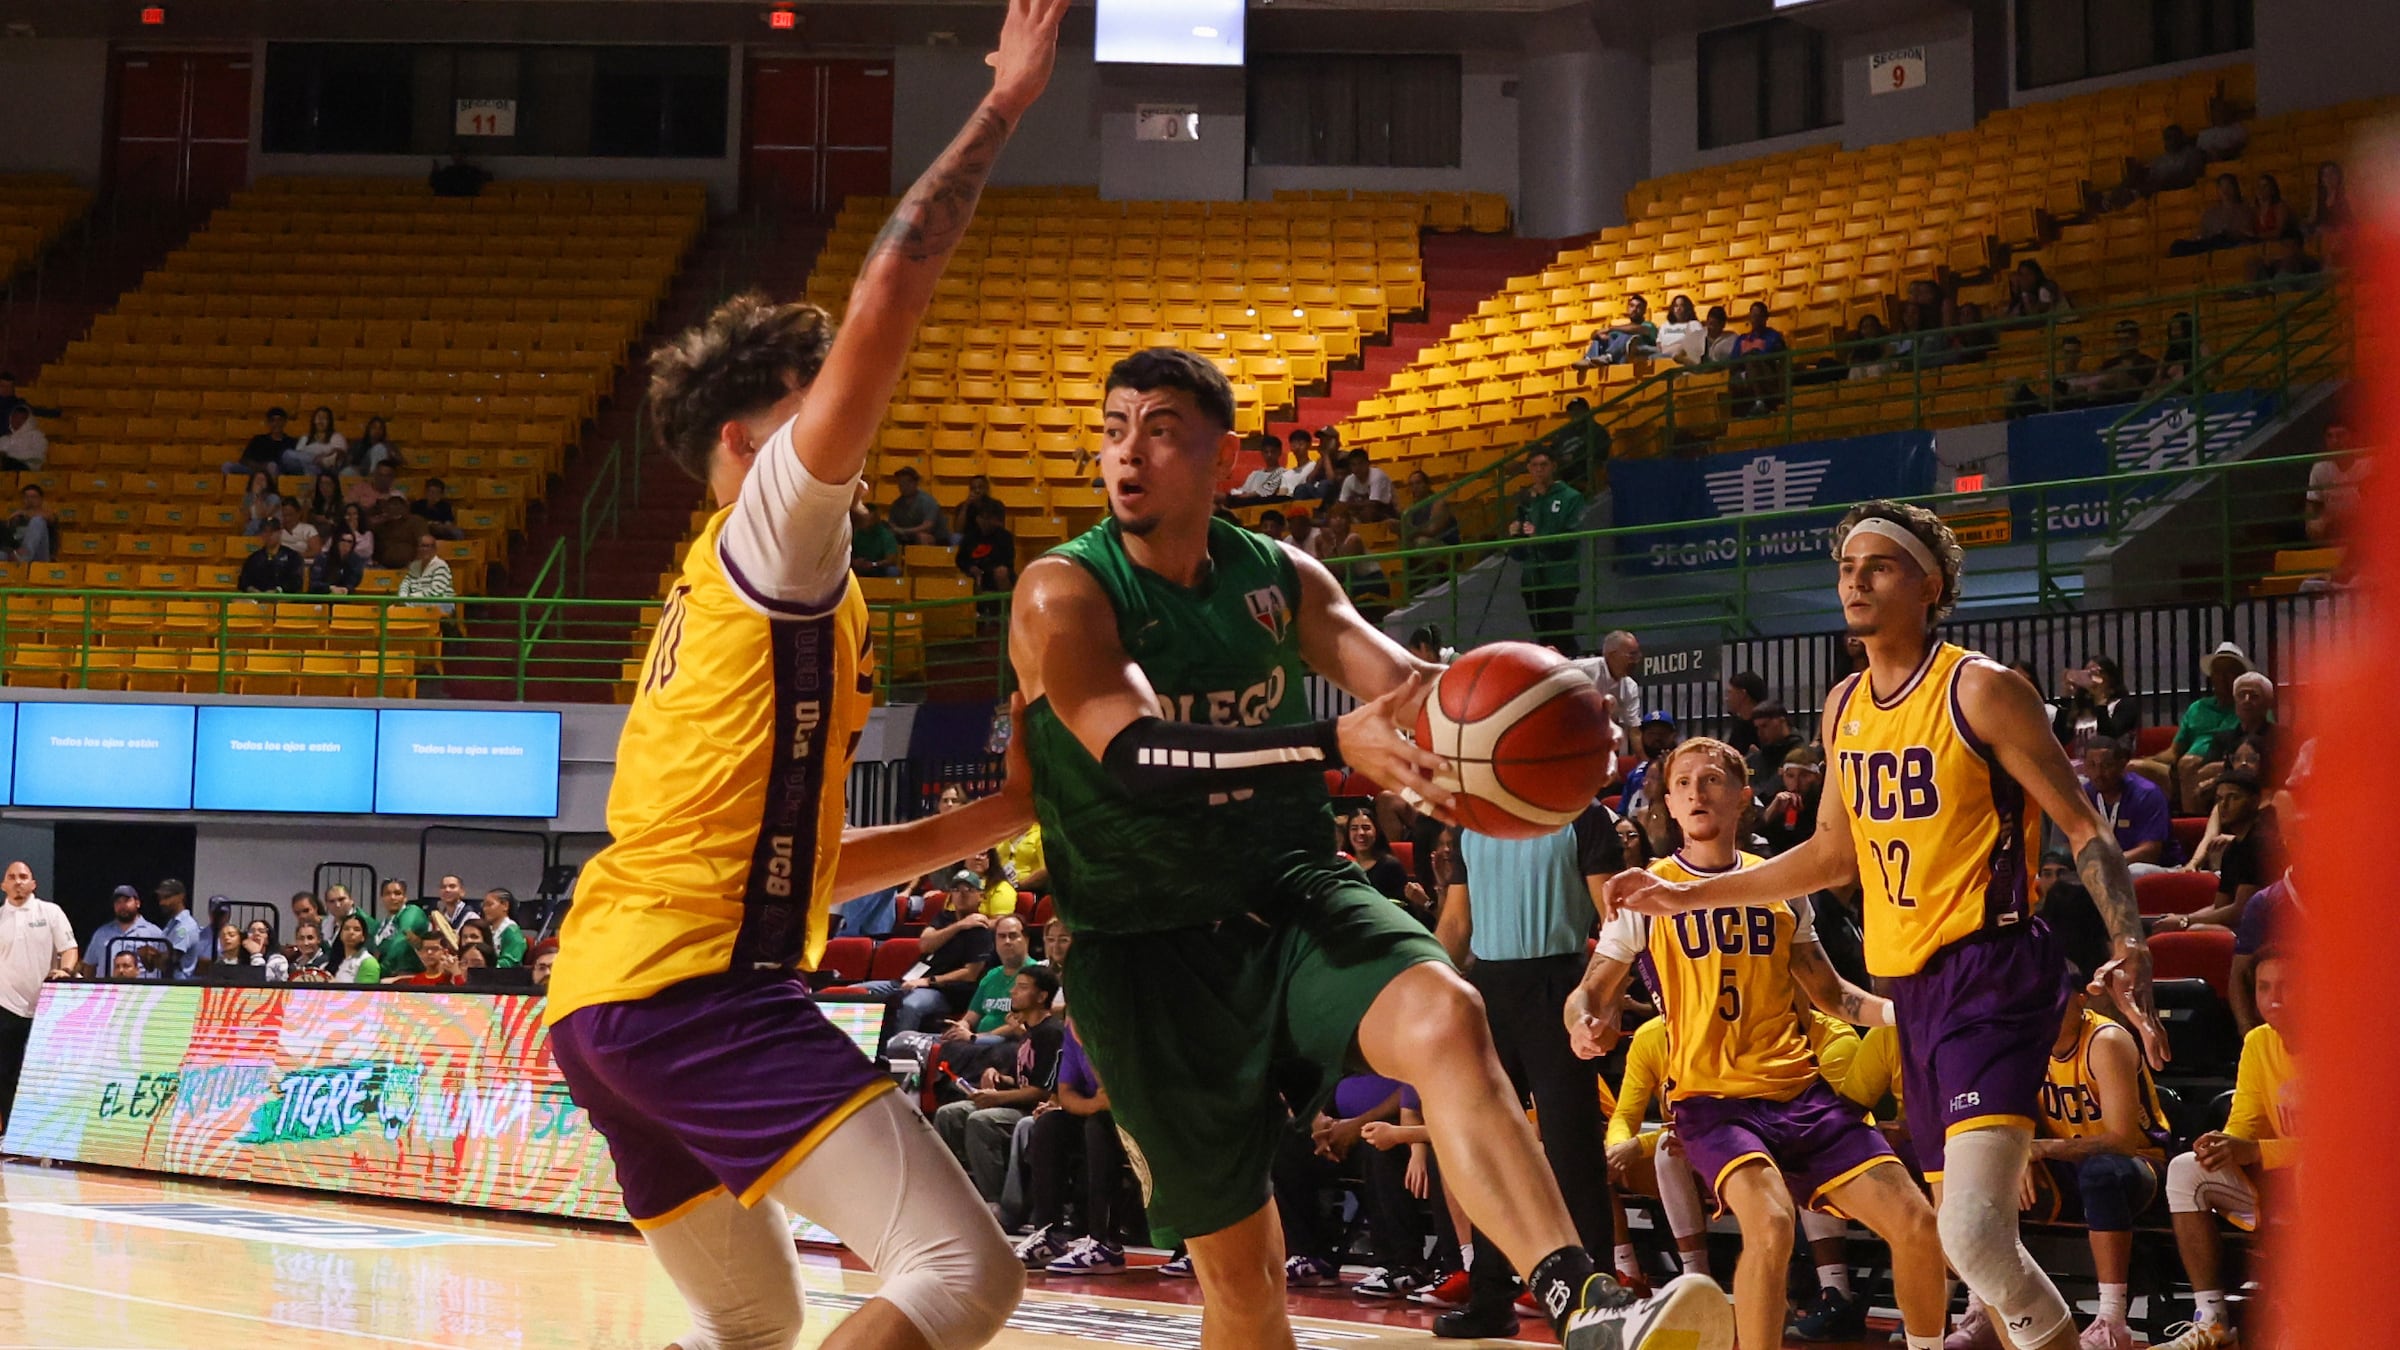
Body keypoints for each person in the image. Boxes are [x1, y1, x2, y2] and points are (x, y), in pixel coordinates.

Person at [1007, 347, 1730, 1350]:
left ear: (1226, 461)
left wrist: (1560, 709)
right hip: (1144, 951)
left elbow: (1412, 691)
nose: (1128, 453)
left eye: (1161, 432)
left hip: (1287, 895)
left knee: (1447, 1015)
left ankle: (1584, 1303)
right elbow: (1131, 753)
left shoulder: (1278, 576)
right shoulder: (1064, 591)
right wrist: (1324, 741)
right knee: (1247, 1288)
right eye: (1114, 428)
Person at [541, 12, 1067, 1346]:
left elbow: (798, 866)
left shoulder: (717, 586)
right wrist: (1002, 107)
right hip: (692, 993)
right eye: (811, 391)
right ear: (747, 439)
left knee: (753, 1326)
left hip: (607, 998)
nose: (845, 407)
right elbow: (894, 288)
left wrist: (1002, 811)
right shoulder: (775, 528)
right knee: (963, 1272)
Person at [1604, 499, 2164, 1350]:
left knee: (1969, 1232)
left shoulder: (1980, 689)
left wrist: (2129, 941)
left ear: (1930, 585)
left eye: (1879, 566)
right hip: (1913, 989)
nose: (1855, 582)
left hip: (1992, 969)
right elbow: (1833, 855)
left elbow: (2085, 827)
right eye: (1845, 568)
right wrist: (1684, 898)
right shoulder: (1843, 706)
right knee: (1970, 1240)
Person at [1571, 738, 1948, 1350]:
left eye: (1711, 779)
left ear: (1743, 797)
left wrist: (1902, 1015)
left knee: (1916, 1222)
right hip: (1713, 1101)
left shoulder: (1781, 885)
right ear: (1668, 803)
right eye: (1683, 782)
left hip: (1800, 1094)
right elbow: (1590, 991)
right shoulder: (1647, 890)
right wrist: (1582, 1020)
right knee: (1771, 1224)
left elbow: (1833, 995)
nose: (1696, 791)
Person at [1429, 800, 1629, 1340]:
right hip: (1488, 990)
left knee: (1571, 1153)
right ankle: (1491, 1297)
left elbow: (1616, 925)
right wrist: (1425, 991)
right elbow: (1457, 922)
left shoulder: (1584, 815)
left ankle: (1595, 1302)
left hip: (1560, 985)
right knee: (1487, 1149)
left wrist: (1606, 1003)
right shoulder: (1471, 820)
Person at [2007, 972, 2175, 1350]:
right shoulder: (2026, 1046)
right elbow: (2015, 1122)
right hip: (2072, 1166)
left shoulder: (2105, 1041)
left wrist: (2041, 1150)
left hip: (2142, 1166)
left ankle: (2111, 1320)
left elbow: (2122, 1141)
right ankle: (1985, 1308)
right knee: (1991, 1170)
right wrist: (2021, 1157)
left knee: (2101, 1173)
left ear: (2081, 999)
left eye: (2054, 1000)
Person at [2155, 949, 2296, 1350]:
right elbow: (2245, 1123)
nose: (2274, 998)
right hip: (2276, 1184)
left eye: (2286, 987)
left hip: (2343, 1195)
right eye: (2264, 988)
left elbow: (2342, 1151)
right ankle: (2213, 1322)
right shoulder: (2258, 1041)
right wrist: (2224, 1144)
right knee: (2187, 1168)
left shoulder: (2344, 1046)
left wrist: (2255, 1152)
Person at [933, 965, 1064, 1203]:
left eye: (1022, 987)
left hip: (1036, 1111)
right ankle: (953, 1195)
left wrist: (996, 1098)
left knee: (981, 1120)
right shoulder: (1028, 1033)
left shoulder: (1051, 1033)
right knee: (948, 1114)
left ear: (1042, 996)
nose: (1013, 992)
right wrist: (998, 1078)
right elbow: (1020, 1080)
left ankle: (995, 1202)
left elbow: (1042, 1091)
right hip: (1014, 1103)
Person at [2133, 642, 2253, 815]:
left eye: (2229, 671)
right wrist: (2150, 760)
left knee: (2189, 764)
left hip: (2223, 767)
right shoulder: (2198, 707)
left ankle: (2191, 820)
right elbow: (2174, 752)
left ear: (2240, 676)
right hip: (2181, 769)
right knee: (2134, 767)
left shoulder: (2248, 707)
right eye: (2218, 672)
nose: (2223, 677)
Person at [0, 862, 75, 1118]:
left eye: (23, 876)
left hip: (46, 1006)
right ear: (3, 885)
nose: (18, 882)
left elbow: (69, 948)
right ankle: (10, 1130)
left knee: (45, 1073)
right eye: (12, 877)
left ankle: (44, 1129)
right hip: (6, 1004)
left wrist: (65, 970)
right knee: (6, 1071)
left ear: (33, 884)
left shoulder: (50, 912)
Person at [1510, 447, 1587, 656]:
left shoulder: (1571, 497)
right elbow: (1518, 552)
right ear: (1528, 469)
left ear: (1553, 466)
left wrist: (1538, 535)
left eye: (1543, 465)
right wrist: (1515, 535)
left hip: (1561, 577)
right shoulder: (1526, 500)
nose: (1539, 470)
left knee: (1561, 634)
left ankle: (1571, 667)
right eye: (1534, 465)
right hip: (1532, 578)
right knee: (1542, 637)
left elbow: (1570, 539)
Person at [80, 885, 165, 978]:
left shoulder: (154, 933)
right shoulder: (101, 933)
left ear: (137, 903)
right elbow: (89, 967)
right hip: (108, 987)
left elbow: (166, 965)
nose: (122, 906)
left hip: (143, 987)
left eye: (126, 901)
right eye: (118, 902)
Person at [2172, 175, 2254, 255]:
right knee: (2178, 246)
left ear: (2235, 188)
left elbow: (2247, 233)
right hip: (2211, 244)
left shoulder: (2245, 210)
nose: (2225, 191)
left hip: (2231, 243)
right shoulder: (2210, 213)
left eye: (2229, 186)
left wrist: (2230, 233)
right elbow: (2202, 235)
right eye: (2221, 187)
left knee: (2222, 240)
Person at [1575, 296, 1657, 375]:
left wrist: (1611, 329)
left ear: (1644, 311)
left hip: (1629, 359)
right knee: (1600, 337)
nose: (1634, 309)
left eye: (1638, 307)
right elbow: (1593, 336)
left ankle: (1608, 356)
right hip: (1615, 361)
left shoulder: (1648, 326)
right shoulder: (1621, 328)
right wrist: (1598, 334)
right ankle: (1589, 360)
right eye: (1632, 306)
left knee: (1627, 332)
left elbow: (1637, 329)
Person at [886, 466, 947, 546]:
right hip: (909, 538)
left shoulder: (927, 501)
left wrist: (904, 531)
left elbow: (927, 527)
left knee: (923, 537)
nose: (904, 486)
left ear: (916, 483)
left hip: (937, 539)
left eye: (908, 482)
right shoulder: (896, 504)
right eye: (901, 482)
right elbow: (892, 524)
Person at [239, 523, 306, 594]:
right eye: (265, 531)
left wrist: (277, 590)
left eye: (272, 531)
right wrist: (252, 590)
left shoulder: (292, 556)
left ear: (280, 533)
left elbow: (296, 582)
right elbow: (244, 581)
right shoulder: (253, 558)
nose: (268, 535)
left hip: (283, 597)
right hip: (256, 597)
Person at [227, 407, 296, 476]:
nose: (276, 423)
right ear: (268, 423)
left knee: (273, 466)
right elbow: (244, 460)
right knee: (227, 466)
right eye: (272, 420)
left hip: (280, 473)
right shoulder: (258, 440)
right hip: (256, 470)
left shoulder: (291, 442)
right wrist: (263, 467)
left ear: (285, 422)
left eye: (279, 420)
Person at [156, 880, 202, 981]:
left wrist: (151, 957)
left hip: (180, 985)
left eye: (167, 897)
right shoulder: (173, 923)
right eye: (160, 898)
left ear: (181, 897)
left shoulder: (185, 926)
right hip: (170, 982)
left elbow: (172, 959)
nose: (162, 903)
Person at [1335, 450, 1396, 523]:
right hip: (1362, 512)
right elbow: (1341, 504)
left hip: (1388, 513)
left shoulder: (1377, 476)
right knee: (1339, 514)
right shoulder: (1349, 480)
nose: (1357, 468)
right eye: (1353, 465)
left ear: (1368, 464)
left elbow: (1373, 504)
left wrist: (1351, 505)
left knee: (1368, 512)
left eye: (1360, 463)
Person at [288, 405, 347, 476]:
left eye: (324, 418)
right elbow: (298, 456)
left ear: (329, 422)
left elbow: (338, 454)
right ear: (314, 420)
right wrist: (318, 459)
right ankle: (318, 461)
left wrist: (325, 457)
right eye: (319, 417)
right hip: (305, 469)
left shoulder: (337, 437)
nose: (321, 421)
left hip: (327, 471)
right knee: (287, 454)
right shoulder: (305, 438)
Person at [6, 485, 55, 563]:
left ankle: (24, 557)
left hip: (40, 557)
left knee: (37, 520)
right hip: (16, 555)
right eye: (26, 497)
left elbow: (50, 518)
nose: (30, 500)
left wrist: (23, 512)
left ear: (41, 499)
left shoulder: (46, 516)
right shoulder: (16, 518)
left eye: (34, 497)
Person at [1655, 295, 1708, 366]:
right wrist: (1674, 347)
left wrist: (1679, 348)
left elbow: (1696, 346)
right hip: (1663, 357)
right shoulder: (1665, 325)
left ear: (1687, 309)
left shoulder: (1694, 324)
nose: (1678, 309)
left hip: (1684, 359)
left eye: (1682, 306)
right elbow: (1659, 345)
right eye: (1676, 306)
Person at [0, 403, 47, 470]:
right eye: (15, 417)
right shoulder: (5, 438)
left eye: (22, 418)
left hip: (28, 470)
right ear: (11, 418)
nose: (17, 420)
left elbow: (38, 457)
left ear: (28, 420)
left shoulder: (36, 436)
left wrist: (11, 455)